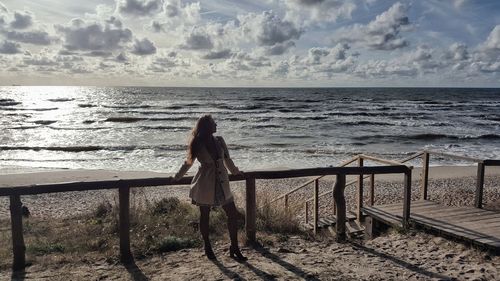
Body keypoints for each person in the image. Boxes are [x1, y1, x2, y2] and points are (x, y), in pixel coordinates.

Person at [173, 114, 247, 261]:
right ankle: (207, 246)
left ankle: (234, 247)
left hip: (222, 182)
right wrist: (176, 177)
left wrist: (236, 172)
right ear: (207, 126)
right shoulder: (197, 143)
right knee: (204, 216)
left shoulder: (219, 140)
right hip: (205, 183)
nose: (216, 125)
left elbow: (227, 159)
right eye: (213, 123)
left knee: (232, 214)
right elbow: (188, 162)